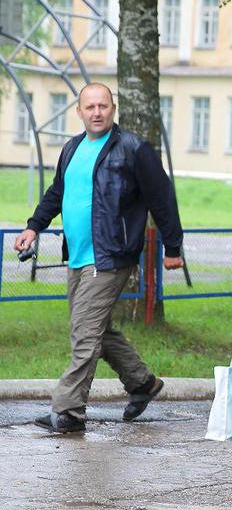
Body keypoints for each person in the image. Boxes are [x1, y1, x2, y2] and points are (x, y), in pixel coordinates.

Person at [14, 82, 184, 434]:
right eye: (90, 107)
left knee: (84, 333)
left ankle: (69, 411)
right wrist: (34, 227)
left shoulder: (133, 148)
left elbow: (162, 197)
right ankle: (142, 383)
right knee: (96, 330)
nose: (97, 112)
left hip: (110, 255)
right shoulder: (73, 147)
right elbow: (57, 192)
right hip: (77, 256)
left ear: (113, 108)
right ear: (79, 111)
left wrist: (173, 247)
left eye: (103, 106)